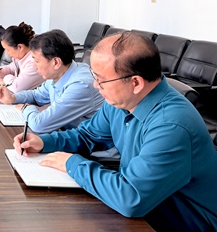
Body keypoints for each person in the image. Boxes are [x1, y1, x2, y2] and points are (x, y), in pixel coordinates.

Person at [16, 32, 217, 231]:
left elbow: (131, 198)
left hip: (182, 223)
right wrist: (45, 142)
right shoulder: (121, 101)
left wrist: (72, 164)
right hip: (145, 211)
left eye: (101, 80)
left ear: (135, 83)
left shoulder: (171, 125)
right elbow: (87, 135)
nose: (95, 85)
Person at [0, 29, 103, 134]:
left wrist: (27, 108)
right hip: (67, 135)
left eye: (37, 61)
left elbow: (39, 124)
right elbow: (37, 95)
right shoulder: (58, 74)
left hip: (89, 145)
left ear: (56, 62)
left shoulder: (81, 85)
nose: (34, 66)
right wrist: (13, 98)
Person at [0, 23, 44, 94]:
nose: (7, 53)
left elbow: (15, 88)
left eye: (8, 49)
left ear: (20, 47)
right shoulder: (20, 57)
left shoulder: (34, 62)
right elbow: (12, 68)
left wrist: (6, 77)